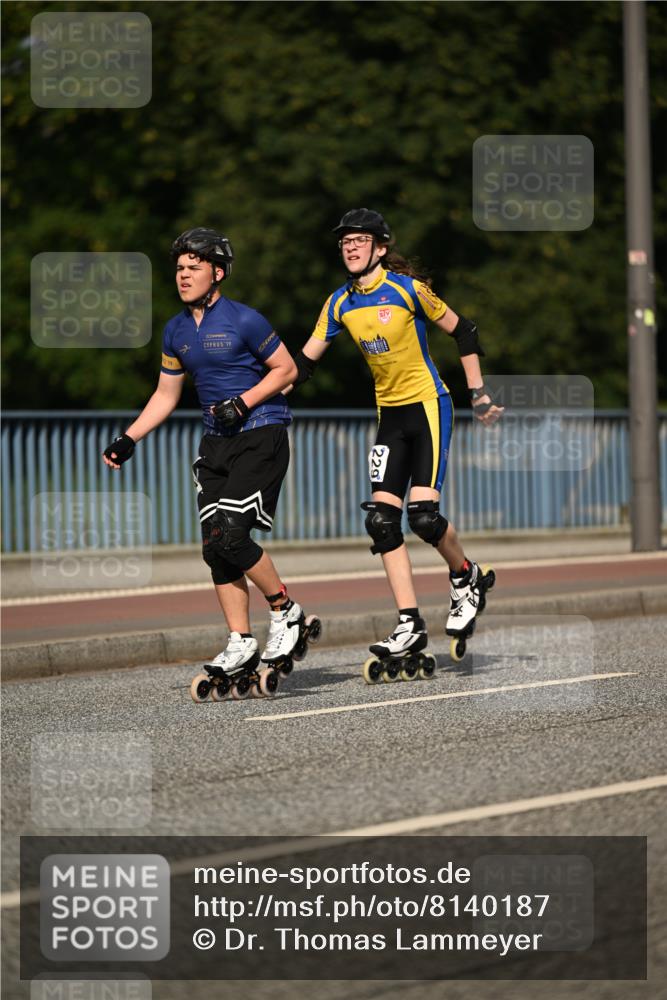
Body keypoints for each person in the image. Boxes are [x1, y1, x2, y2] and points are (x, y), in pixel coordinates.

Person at [103, 227, 315, 691]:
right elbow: (166, 394)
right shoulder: (175, 331)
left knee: (232, 533)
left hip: (261, 433)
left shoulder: (245, 320)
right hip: (215, 444)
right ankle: (241, 640)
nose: (183, 275)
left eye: (193, 267)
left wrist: (243, 402)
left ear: (217, 273)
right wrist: (129, 438)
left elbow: (287, 369)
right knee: (214, 545)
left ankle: (286, 611)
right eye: (179, 268)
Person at [291, 208, 503, 665]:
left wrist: (478, 394)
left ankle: (465, 576)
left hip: (428, 406)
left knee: (423, 517)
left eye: (360, 240)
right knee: (381, 522)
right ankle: (409, 623)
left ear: (380, 248)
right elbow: (303, 364)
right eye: (345, 241)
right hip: (389, 416)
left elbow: (464, 330)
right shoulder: (339, 303)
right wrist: (260, 397)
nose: (350, 247)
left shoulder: (407, 290)